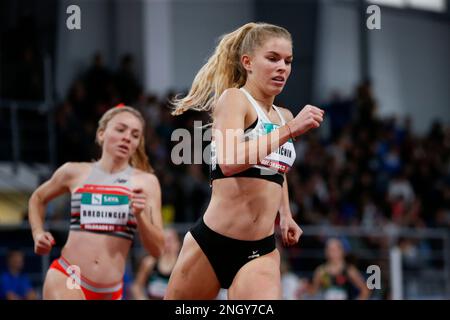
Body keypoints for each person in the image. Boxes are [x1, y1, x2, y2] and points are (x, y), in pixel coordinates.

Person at [165, 22, 324, 299]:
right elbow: (229, 161)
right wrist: (291, 130)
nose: (282, 68)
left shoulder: (284, 115)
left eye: (288, 61)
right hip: (211, 243)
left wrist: (285, 214)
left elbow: (276, 169)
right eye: (273, 58)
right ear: (248, 62)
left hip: (260, 250)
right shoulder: (235, 100)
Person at [28, 105, 165, 300]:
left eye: (135, 135)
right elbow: (38, 198)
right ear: (101, 134)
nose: (127, 137)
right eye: (120, 129)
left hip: (111, 292)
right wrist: (37, 233)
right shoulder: (74, 172)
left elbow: (158, 250)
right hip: (68, 276)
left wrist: (140, 216)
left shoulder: (147, 183)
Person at [131, 228, 181, 300]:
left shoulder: (181, 267)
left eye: (170, 240)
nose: (167, 244)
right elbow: (136, 287)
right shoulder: (149, 263)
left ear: (178, 244)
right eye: (164, 240)